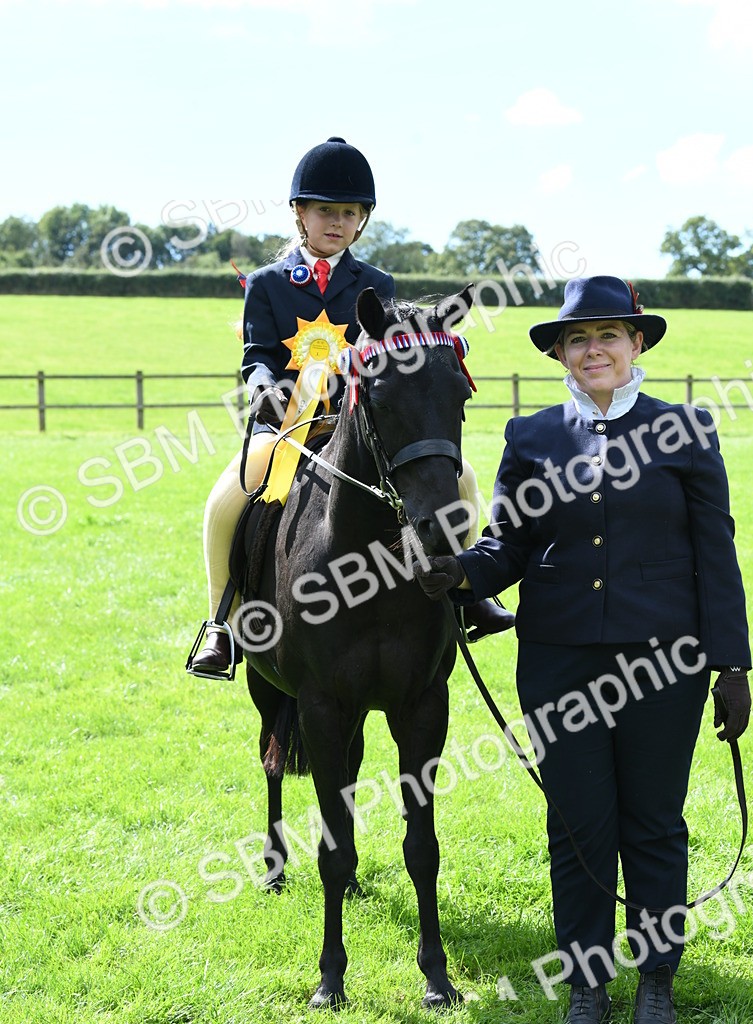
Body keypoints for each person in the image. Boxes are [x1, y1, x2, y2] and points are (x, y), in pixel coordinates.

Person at [415, 275, 752, 1024]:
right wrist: (461, 573)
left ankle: (656, 985)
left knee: (655, 826)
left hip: (666, 665)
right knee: (576, 827)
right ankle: (586, 987)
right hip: (560, 663)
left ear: (637, 345)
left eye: (608, 336)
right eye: (577, 339)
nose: (593, 349)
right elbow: (511, 546)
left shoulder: (687, 430)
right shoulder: (530, 438)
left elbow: (717, 556)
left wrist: (730, 666)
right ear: (561, 354)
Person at [189, 136, 513, 676]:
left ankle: (466, 592)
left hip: (360, 424)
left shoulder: (377, 284)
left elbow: (392, 351)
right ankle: (221, 624)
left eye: (349, 213)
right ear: (300, 214)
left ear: (362, 221)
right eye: (325, 211)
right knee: (225, 499)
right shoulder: (268, 284)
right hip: (288, 426)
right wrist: (264, 387)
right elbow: (256, 356)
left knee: (462, 481)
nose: (336, 222)